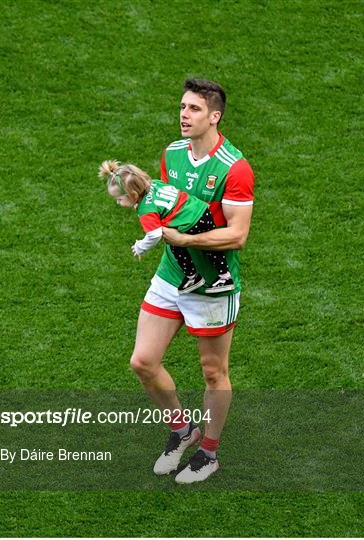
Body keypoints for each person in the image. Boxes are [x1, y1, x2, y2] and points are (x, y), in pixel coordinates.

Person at [130, 78, 254, 484]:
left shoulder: (235, 169)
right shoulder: (172, 154)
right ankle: (182, 430)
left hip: (211, 286)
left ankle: (209, 453)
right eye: (182, 107)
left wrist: (185, 238)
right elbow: (167, 203)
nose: (184, 115)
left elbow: (237, 235)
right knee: (143, 362)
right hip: (171, 274)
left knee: (213, 373)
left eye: (194, 109)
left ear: (214, 116)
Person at [99, 160, 235, 294]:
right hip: (201, 210)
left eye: (120, 199)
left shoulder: (146, 210)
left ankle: (198, 277)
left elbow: (155, 235)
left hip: (191, 222)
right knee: (209, 249)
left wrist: (140, 247)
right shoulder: (155, 184)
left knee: (175, 244)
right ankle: (221, 275)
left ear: (133, 195)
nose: (118, 202)